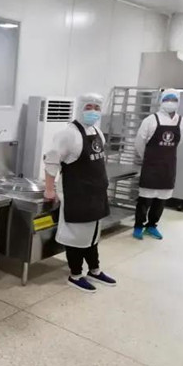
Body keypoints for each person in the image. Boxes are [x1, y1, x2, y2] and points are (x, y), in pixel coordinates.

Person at [44, 93, 117, 293]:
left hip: (96, 194)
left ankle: (94, 270)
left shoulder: (97, 132)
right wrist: (49, 189)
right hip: (76, 194)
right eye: (88, 107)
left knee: (92, 236)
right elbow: (52, 161)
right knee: (76, 237)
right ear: (80, 108)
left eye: (96, 108)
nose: (93, 111)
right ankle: (75, 274)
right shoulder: (68, 134)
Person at [133, 89, 183, 240]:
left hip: (168, 166)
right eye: (167, 99)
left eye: (173, 99)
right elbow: (139, 143)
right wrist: (149, 158)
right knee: (145, 199)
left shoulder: (181, 121)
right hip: (151, 166)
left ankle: (152, 226)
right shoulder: (151, 120)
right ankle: (138, 226)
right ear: (161, 101)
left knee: (161, 199)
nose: (170, 102)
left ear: (178, 102)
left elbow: (179, 142)